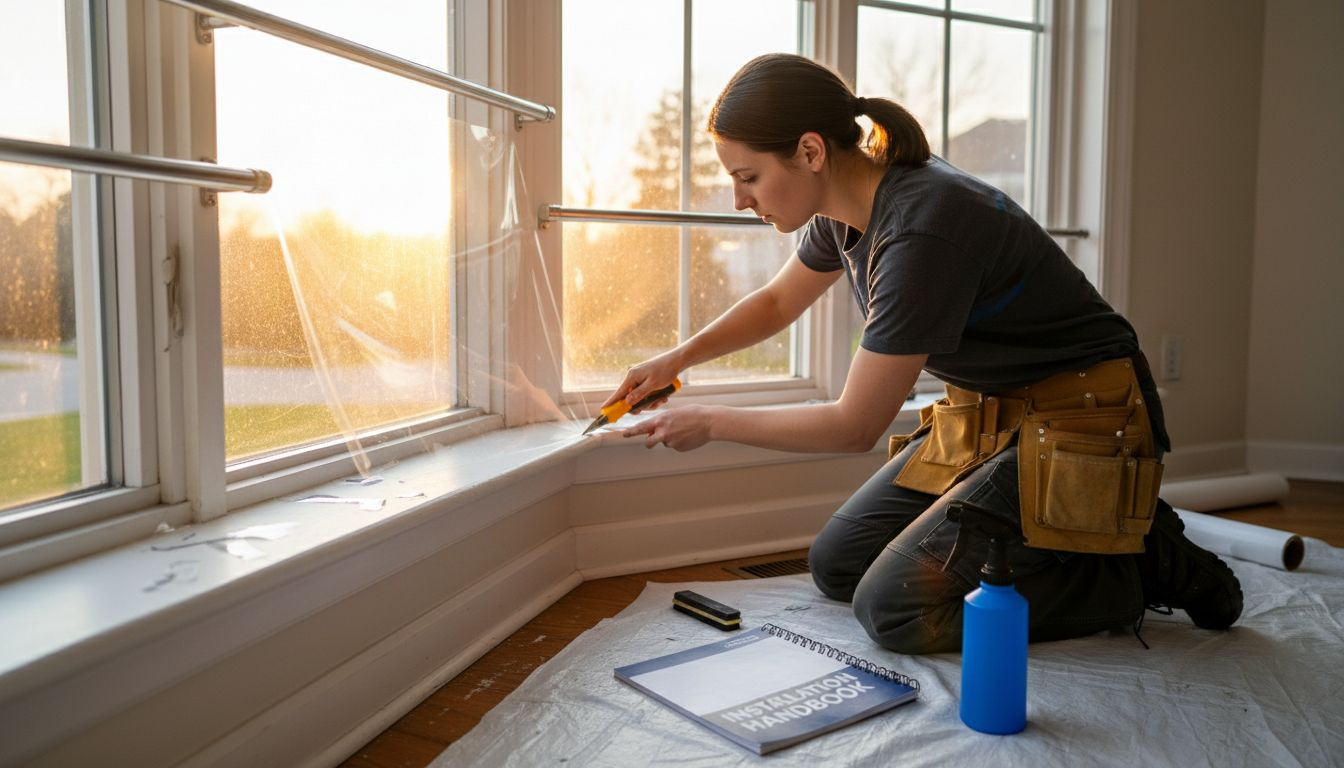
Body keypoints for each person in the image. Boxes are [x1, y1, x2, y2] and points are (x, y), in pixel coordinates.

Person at [600, 53, 1242, 654]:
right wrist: (675, 361)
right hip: (996, 418)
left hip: (1085, 417)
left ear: (810, 151)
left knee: (897, 609)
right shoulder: (842, 211)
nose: (741, 198)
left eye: (748, 177)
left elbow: (854, 426)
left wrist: (710, 422)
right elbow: (775, 304)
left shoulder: (923, 229)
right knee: (839, 564)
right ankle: (1080, 538)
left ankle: (1144, 563)